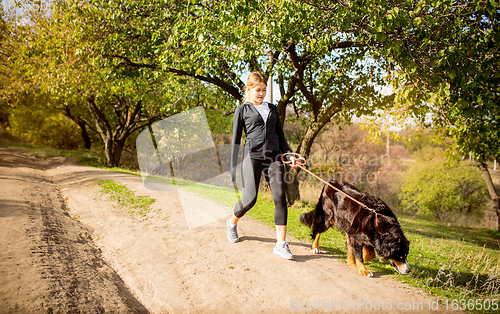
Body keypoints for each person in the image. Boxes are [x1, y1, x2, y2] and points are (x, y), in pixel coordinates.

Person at [227, 71, 296, 260]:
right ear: (249, 89)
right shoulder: (242, 110)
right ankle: (232, 222)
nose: (262, 93)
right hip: (252, 157)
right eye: (258, 90)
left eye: (264, 90)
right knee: (250, 199)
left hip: (274, 157)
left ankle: (281, 244)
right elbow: (235, 140)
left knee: (280, 196)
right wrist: (232, 167)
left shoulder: (272, 109)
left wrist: (289, 155)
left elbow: (280, 136)